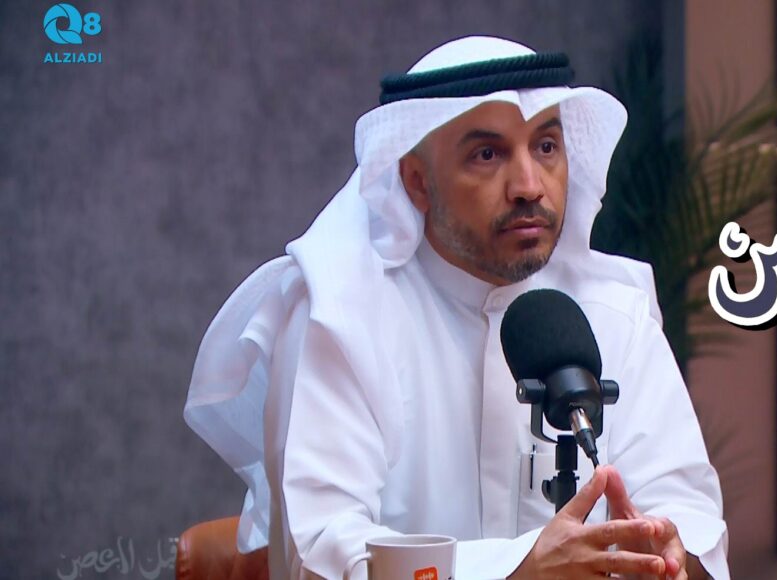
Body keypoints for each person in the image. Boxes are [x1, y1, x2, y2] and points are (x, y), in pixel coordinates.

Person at [184, 35, 728, 580]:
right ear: (417, 182)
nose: (529, 186)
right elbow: (322, 552)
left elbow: (690, 515)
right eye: (488, 155)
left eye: (546, 147)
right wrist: (515, 571)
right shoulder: (341, 316)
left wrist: (666, 549)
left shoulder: (614, 313)